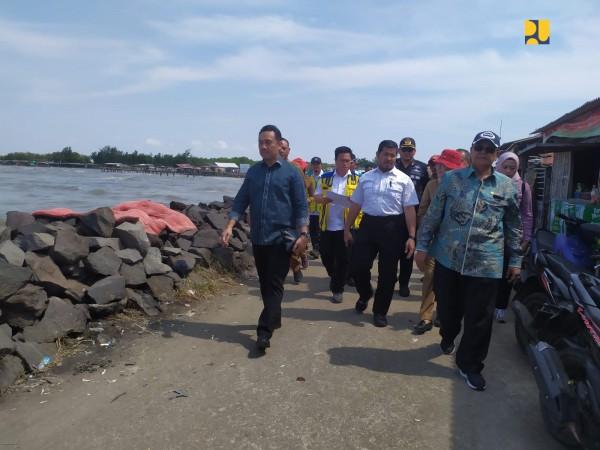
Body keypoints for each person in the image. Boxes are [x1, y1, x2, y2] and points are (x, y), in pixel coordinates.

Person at [415, 131, 522, 391]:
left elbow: (514, 226)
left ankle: (470, 364)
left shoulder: (506, 186)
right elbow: (433, 215)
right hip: (448, 259)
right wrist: (422, 245)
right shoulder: (451, 179)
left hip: (487, 263)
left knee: (479, 319)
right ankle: (448, 334)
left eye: (489, 148)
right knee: (449, 312)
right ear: (472, 150)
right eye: (479, 146)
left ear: (496, 155)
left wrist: (516, 259)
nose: (483, 151)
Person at [221, 125, 309, 352]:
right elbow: (241, 200)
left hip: (282, 238)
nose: (263, 146)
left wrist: (304, 234)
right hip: (259, 237)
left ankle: (263, 332)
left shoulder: (291, 172)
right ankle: (274, 318)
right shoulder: (254, 172)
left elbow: (301, 206)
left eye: (268, 142)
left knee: (275, 283)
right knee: (264, 283)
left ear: (280, 145)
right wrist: (230, 225)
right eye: (260, 142)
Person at [344, 140, 418, 327]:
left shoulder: (404, 180)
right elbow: (355, 204)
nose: (389, 158)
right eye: (386, 154)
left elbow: (409, 210)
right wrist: (347, 229)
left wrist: (411, 236)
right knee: (358, 266)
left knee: (388, 274)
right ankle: (365, 293)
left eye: (393, 155)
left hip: (393, 228)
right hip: (368, 225)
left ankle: (380, 311)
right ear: (378, 155)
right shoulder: (366, 178)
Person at [413, 149, 464, 335]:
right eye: (439, 166)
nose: (441, 169)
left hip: (455, 244)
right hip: (434, 241)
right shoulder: (431, 185)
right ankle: (425, 317)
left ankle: (444, 314)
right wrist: (423, 239)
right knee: (429, 278)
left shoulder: (465, 187)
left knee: (448, 282)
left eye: (446, 166)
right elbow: (422, 211)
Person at [313, 146, 361, 303]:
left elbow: (361, 201)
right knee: (326, 256)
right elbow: (317, 197)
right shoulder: (325, 178)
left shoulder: (357, 180)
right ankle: (335, 276)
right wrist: (328, 198)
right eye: (342, 160)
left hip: (346, 226)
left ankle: (337, 289)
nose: (345, 163)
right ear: (335, 161)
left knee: (343, 259)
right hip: (327, 225)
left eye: (348, 161)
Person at [494, 151, 533, 323]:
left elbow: (527, 214)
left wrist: (526, 238)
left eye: (513, 167)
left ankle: (501, 306)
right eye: (505, 167)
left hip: (512, 237)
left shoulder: (523, 187)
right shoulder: (489, 183)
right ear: (499, 166)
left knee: (507, 273)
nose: (509, 171)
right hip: (490, 235)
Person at [395, 137, 429, 297]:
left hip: (413, 214)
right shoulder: (391, 164)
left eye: (410, 149)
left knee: (408, 252)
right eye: (404, 149)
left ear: (414, 151)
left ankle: (403, 283)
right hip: (393, 214)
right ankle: (389, 279)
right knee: (390, 251)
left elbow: (428, 190)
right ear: (399, 150)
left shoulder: (423, 168)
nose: (407, 152)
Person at [280, 138, 311, 283]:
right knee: (283, 247)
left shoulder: (295, 169)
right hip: (279, 215)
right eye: (278, 147)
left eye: (283, 148)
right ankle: (296, 268)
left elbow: (305, 191)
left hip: (296, 214)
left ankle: (299, 262)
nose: (280, 150)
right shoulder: (267, 168)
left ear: (288, 150)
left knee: (294, 245)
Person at [307, 157, 324, 259]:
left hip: (323, 210)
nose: (316, 166)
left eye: (317, 164)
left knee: (321, 231)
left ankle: (320, 248)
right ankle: (315, 249)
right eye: (314, 164)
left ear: (321, 165)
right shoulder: (309, 178)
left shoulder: (326, 177)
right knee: (313, 231)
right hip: (312, 211)